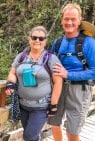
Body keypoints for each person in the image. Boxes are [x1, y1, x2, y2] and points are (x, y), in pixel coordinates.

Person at [5, 26, 63, 141]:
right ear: (29, 39)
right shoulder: (21, 57)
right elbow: (12, 73)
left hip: (41, 106)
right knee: (31, 136)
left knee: (29, 136)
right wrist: (10, 84)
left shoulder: (52, 59)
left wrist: (54, 105)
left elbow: (58, 82)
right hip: (23, 105)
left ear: (45, 41)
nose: (37, 40)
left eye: (41, 38)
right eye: (34, 37)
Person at [48, 3, 95, 141]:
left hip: (79, 90)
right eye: (66, 19)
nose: (69, 22)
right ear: (62, 20)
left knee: (72, 131)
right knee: (54, 124)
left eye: (73, 19)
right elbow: (49, 65)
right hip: (58, 88)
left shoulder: (89, 43)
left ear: (79, 20)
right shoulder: (57, 43)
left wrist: (68, 74)